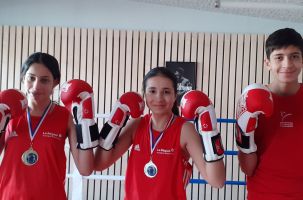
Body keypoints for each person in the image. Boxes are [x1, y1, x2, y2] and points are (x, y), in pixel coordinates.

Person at [94, 67, 225, 200]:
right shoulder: (136, 125)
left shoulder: (185, 130)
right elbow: (99, 164)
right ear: (145, 95)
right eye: (152, 91)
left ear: (175, 96)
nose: (159, 98)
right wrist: (114, 121)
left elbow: (217, 181)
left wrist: (210, 130)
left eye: (166, 92)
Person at [0, 52, 95, 200]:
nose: (36, 86)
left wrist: (86, 122)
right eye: (31, 78)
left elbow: (85, 169)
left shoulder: (65, 116)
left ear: (55, 82)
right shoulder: (10, 113)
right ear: (23, 78)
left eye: (44, 80)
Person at [235, 28, 303, 200]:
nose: (287, 64)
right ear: (267, 63)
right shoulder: (253, 100)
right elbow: (247, 168)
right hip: (263, 194)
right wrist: (245, 133)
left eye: (294, 56)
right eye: (279, 57)